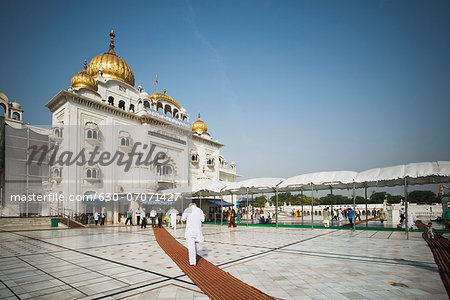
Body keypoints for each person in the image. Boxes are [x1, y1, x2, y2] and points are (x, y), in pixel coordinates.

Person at [181, 201, 205, 266]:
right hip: (197, 231)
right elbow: (203, 220)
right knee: (196, 246)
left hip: (190, 231)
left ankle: (192, 262)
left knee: (191, 246)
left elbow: (183, 219)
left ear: (190, 205)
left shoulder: (187, 210)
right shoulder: (200, 210)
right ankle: (194, 258)